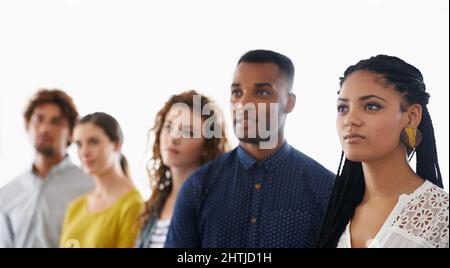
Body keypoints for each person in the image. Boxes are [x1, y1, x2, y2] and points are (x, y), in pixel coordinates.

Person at [165, 50, 335, 248]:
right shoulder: (198, 187)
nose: (243, 104)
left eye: (262, 92)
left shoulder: (325, 188)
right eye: (237, 93)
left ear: (289, 102)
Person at [314, 55, 449, 248]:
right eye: (343, 108)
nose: (350, 120)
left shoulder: (442, 216)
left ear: (411, 117)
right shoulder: (334, 211)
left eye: (371, 106)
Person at [0, 89, 94, 248]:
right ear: (28, 125)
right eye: (39, 119)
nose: (44, 128)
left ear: (71, 133)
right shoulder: (7, 193)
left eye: (55, 122)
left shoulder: (91, 188)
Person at [136, 90, 229, 248]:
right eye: (169, 126)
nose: (173, 137)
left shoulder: (216, 204)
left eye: (188, 131)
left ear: (207, 145)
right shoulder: (155, 203)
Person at [59, 112, 143, 248]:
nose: (84, 152)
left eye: (93, 142)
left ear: (116, 145)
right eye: (79, 144)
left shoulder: (133, 206)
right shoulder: (75, 207)